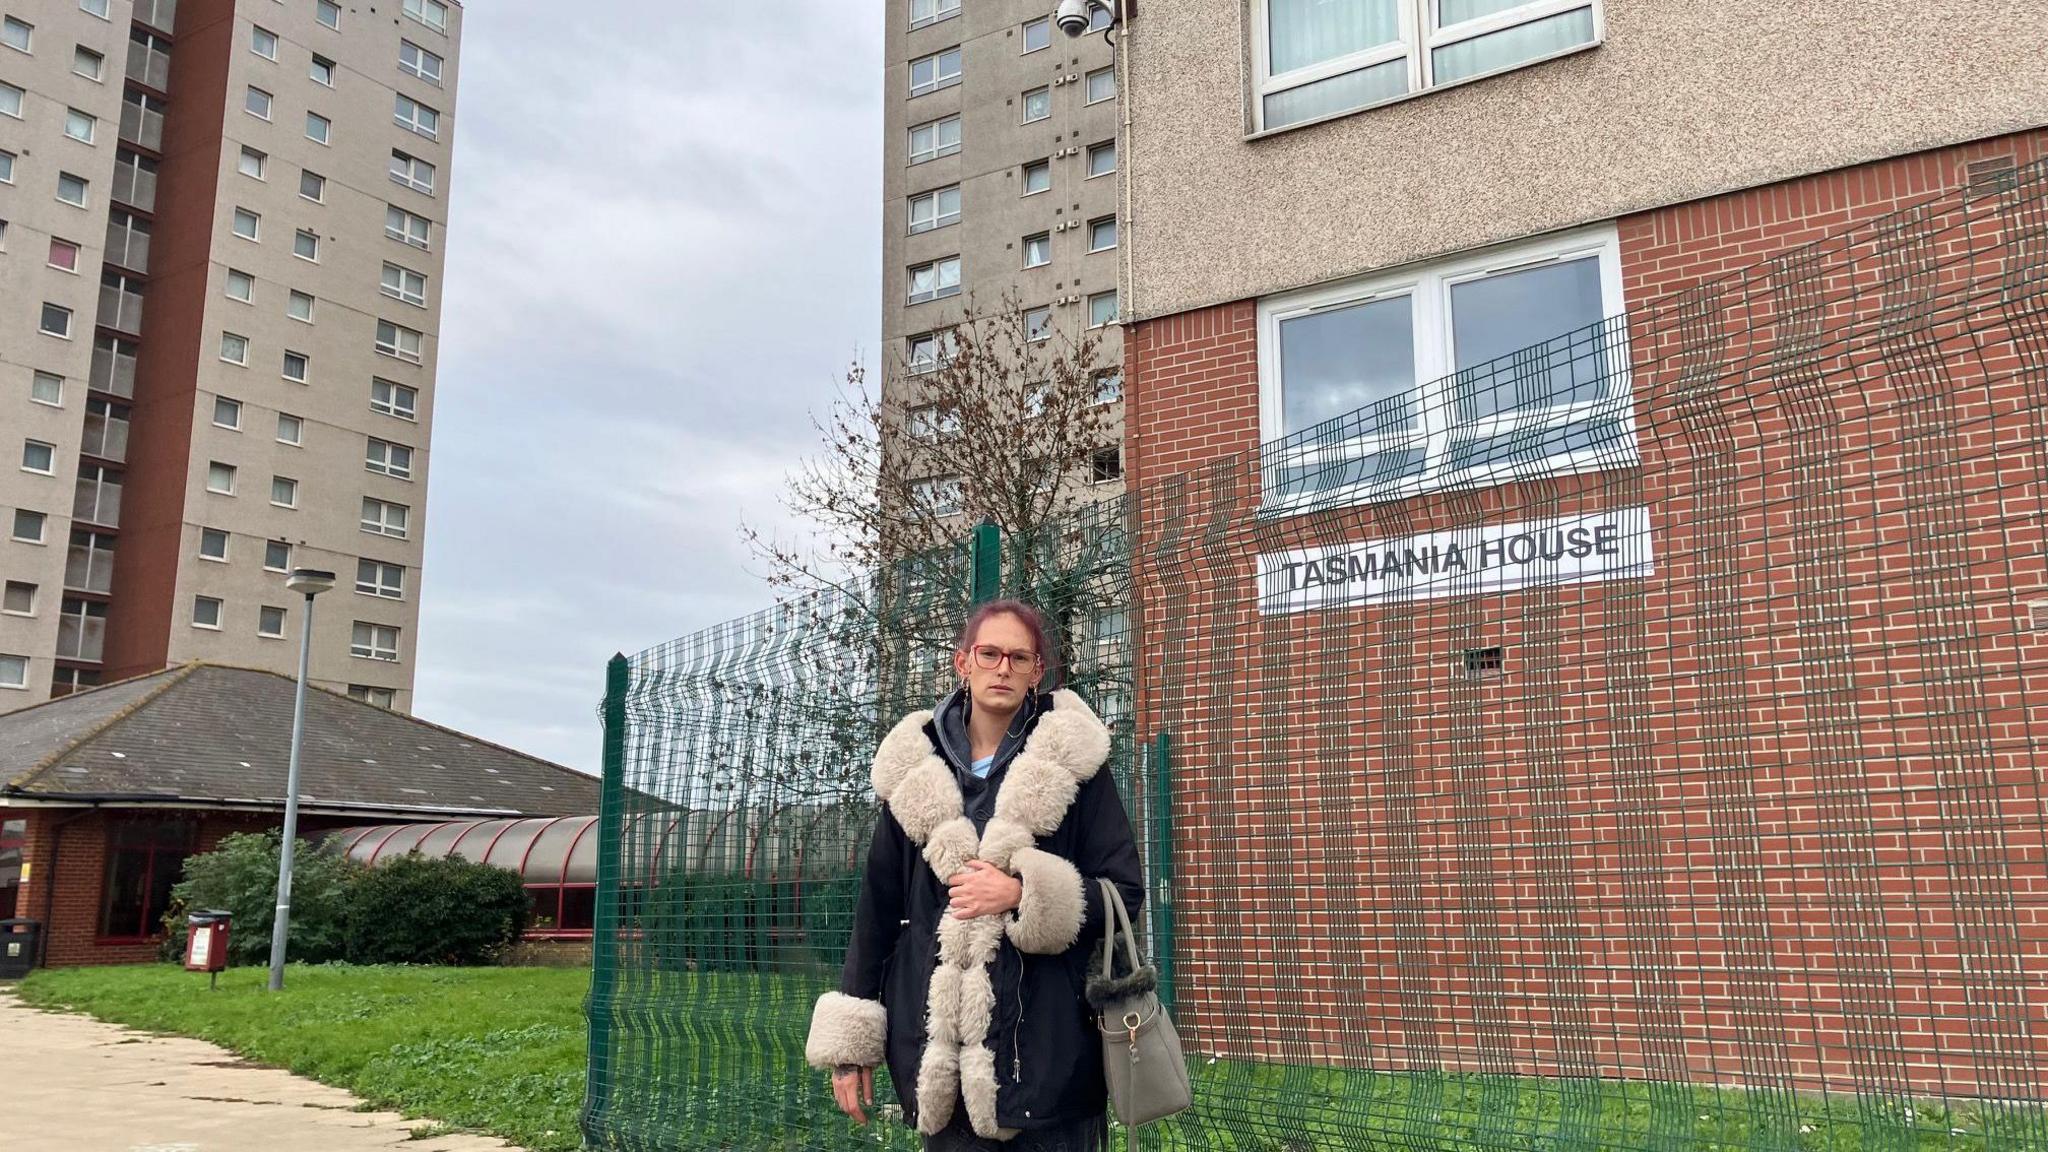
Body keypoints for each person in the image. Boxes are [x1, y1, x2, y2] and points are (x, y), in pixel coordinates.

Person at [806, 599, 1146, 1150]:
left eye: (1019, 657)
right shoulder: (915, 770)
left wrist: (1022, 894)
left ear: (1038, 671)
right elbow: (877, 909)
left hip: (1049, 1060)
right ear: (963, 663)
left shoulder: (1076, 765)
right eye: (989, 654)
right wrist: (850, 1048)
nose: (1003, 667)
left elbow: (1123, 892)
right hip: (938, 1064)